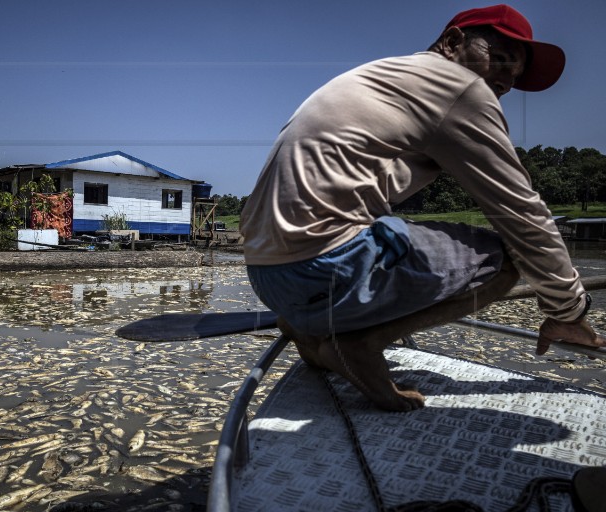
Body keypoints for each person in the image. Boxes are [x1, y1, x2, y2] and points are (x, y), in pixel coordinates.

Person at [240, 4, 606, 412]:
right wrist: (568, 309)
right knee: (506, 257)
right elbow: (521, 214)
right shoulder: (459, 86)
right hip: (319, 269)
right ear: (452, 42)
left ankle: (306, 330)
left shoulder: (387, 75)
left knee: (393, 226)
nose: (504, 81)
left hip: (267, 277)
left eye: (514, 75)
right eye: (499, 60)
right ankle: (359, 343)